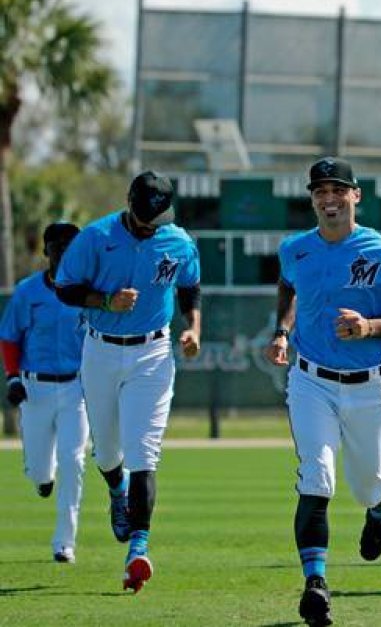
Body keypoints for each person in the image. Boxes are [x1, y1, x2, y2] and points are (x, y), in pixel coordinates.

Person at [263, 157, 381, 627]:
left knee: (367, 482)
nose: (329, 199)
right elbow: (289, 286)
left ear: (356, 196)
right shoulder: (296, 248)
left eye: (338, 190)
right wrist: (281, 331)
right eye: (320, 191)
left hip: (369, 386)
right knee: (316, 476)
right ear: (312, 199)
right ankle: (315, 583)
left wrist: (372, 325)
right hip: (311, 379)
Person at [55, 171, 202, 592]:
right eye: (142, 218)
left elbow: (190, 288)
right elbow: (65, 288)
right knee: (105, 451)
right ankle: (116, 489)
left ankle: (137, 549)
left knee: (144, 453)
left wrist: (193, 328)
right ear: (129, 204)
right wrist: (105, 301)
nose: (148, 226)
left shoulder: (178, 241)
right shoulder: (95, 236)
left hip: (153, 354)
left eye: (155, 219)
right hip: (101, 349)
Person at [1, 222, 87, 563]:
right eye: (58, 244)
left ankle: (64, 542)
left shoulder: (88, 293)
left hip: (75, 387)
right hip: (34, 388)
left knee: (74, 459)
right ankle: (42, 477)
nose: (64, 250)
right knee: (40, 470)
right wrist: (12, 378)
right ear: (46, 250)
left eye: (71, 245)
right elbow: (9, 337)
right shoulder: (28, 291)